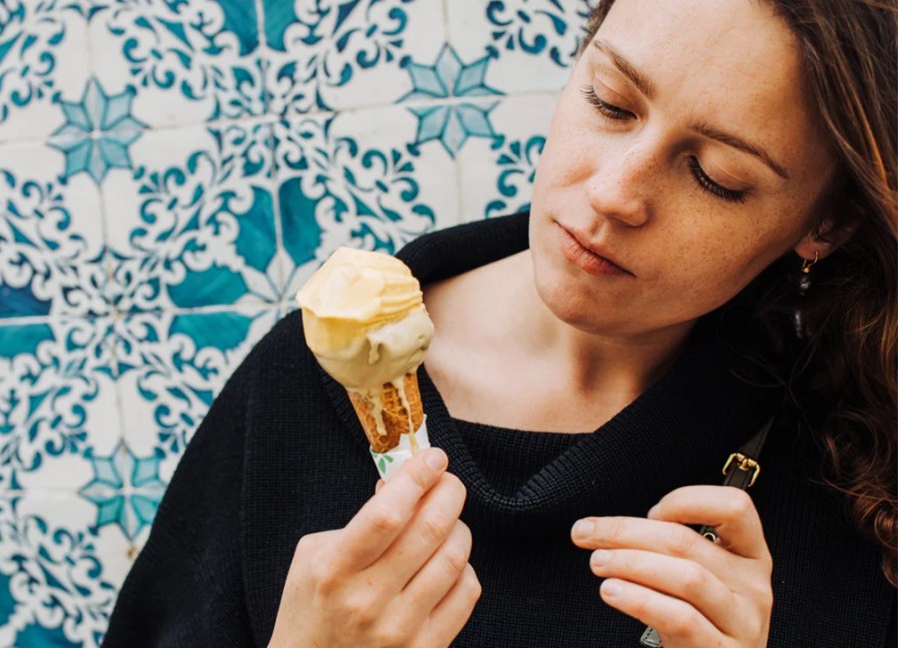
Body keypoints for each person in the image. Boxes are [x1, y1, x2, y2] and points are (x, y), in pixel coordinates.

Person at [101, 0, 897, 645]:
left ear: (823, 225)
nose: (614, 192)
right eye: (610, 101)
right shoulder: (306, 379)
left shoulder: (847, 465)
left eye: (715, 177)